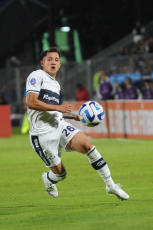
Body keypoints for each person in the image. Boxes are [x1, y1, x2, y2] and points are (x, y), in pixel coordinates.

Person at [26, 47, 129, 200]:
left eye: (56, 60)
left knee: (88, 146)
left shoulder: (55, 84)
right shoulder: (36, 75)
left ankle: (110, 185)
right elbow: (32, 102)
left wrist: (73, 116)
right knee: (61, 174)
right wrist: (58, 107)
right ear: (42, 62)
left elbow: (52, 110)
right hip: (42, 135)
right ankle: (48, 179)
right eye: (49, 59)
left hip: (59, 125)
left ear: (59, 64)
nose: (53, 62)